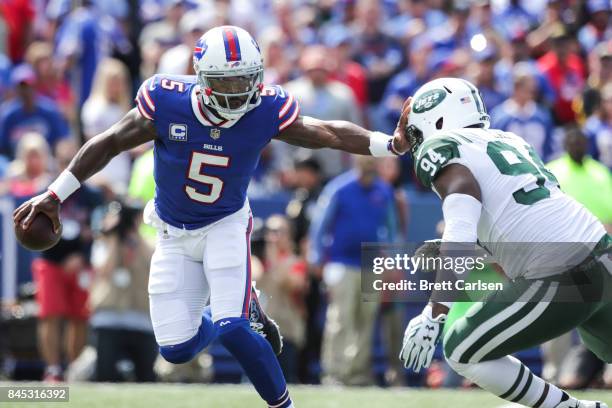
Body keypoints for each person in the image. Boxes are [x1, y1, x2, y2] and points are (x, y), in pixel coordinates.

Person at [14, 25, 412, 407]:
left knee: (232, 328)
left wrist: (388, 144)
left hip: (226, 223)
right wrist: (55, 193)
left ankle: (280, 399)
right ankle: (244, 306)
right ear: (202, 78)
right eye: (227, 82)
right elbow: (110, 142)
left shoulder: (266, 109)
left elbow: (327, 132)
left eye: (245, 79)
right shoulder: (167, 101)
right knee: (175, 349)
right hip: (172, 231)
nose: (239, 91)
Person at [398, 77, 610, 408]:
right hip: (602, 254)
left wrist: (434, 314)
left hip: (561, 270)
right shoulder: (510, 140)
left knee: (461, 348)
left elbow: (461, 220)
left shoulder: (443, 147)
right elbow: (520, 221)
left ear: (435, 117)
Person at [309, 156, 397, 385]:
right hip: (341, 262)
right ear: (356, 161)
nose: (369, 164)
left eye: (373, 160)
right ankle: (334, 373)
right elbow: (320, 224)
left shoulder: (384, 191)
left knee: (366, 321)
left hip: (370, 264)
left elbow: (390, 228)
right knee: (340, 318)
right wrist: (317, 257)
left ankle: (357, 374)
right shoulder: (339, 188)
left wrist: (391, 260)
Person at [0, 63, 71, 159]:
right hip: (18, 166)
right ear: (16, 90)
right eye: (21, 87)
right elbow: (3, 148)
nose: (25, 91)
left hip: (47, 165)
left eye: (28, 86)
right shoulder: (9, 115)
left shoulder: (49, 111)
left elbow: (62, 141)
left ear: (34, 86)